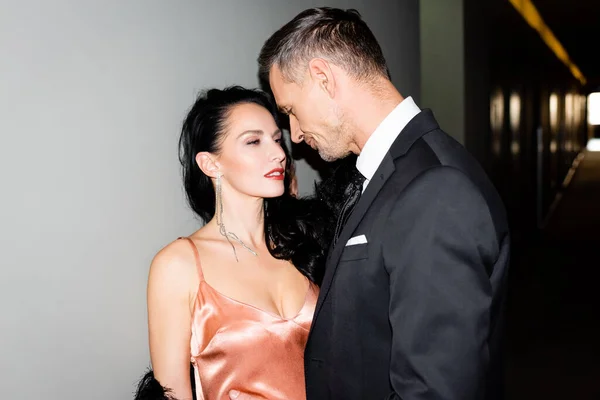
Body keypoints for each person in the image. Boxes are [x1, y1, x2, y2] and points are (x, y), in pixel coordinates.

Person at [257, 7, 511, 400]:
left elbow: (436, 391)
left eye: (290, 110)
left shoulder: (435, 188)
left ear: (323, 78)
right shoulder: (390, 171)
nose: (295, 133)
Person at [138, 86, 335, 400]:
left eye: (276, 138)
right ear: (210, 164)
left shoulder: (307, 245)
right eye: (254, 141)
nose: (279, 154)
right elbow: (172, 394)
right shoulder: (179, 265)